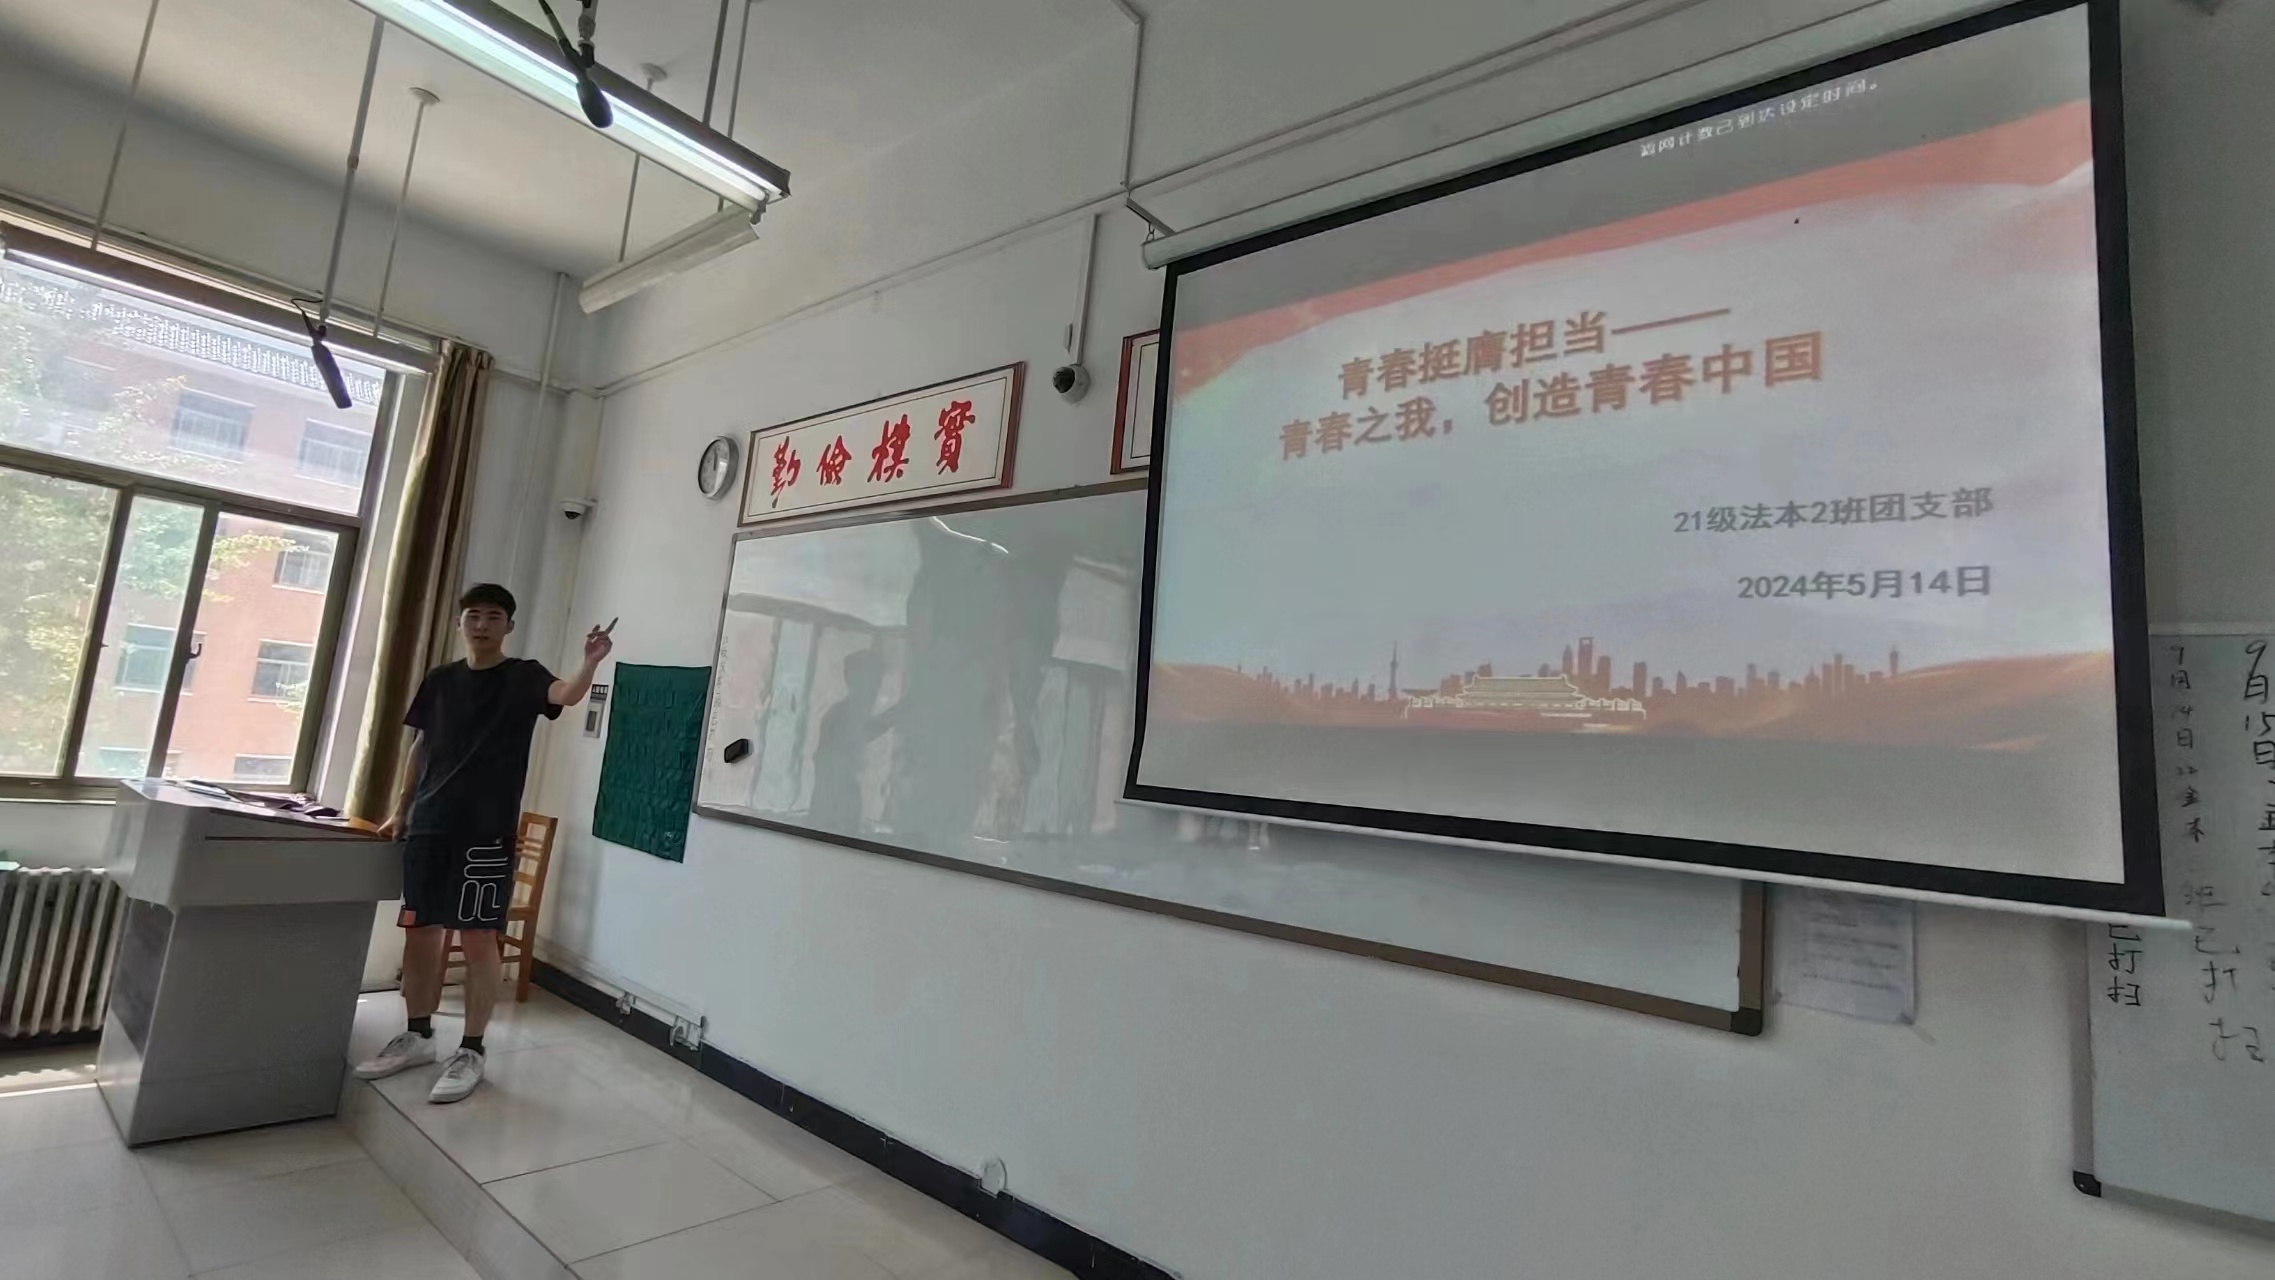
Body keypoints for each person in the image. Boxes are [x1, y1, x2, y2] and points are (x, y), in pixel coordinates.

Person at [351, 584, 611, 1103]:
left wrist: (590, 662)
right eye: (473, 615)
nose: (482, 625)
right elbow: (420, 745)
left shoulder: (523, 676)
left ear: (508, 626)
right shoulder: (440, 680)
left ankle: (471, 1048)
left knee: (477, 939)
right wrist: (402, 807)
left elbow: (565, 695)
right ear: (460, 623)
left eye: (494, 617)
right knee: (420, 933)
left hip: (487, 831)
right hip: (430, 825)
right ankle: (418, 1035)